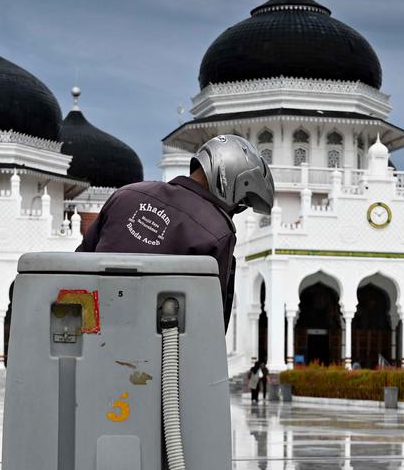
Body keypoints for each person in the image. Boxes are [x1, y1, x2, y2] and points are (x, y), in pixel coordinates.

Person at [76, 135, 274, 328]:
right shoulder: (218, 230)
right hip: (165, 354)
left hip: (91, 333)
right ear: (232, 181)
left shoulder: (126, 194)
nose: (237, 209)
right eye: (240, 202)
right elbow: (211, 320)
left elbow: (76, 266)